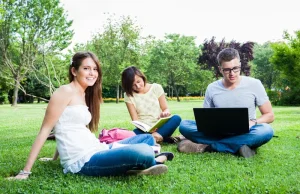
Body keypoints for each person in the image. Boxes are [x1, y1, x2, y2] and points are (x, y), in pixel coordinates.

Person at [10, 51, 174, 180]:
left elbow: (68, 128)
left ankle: (143, 163)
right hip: (83, 160)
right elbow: (46, 130)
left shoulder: (83, 94)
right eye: (86, 68)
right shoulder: (64, 91)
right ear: (74, 71)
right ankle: (150, 161)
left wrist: (54, 158)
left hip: (96, 148)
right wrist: (25, 171)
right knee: (144, 151)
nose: (92, 73)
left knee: (146, 139)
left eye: (95, 69)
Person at [178, 48, 275, 158]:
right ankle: (240, 145)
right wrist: (210, 126)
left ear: (240, 65)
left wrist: (253, 122)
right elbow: (206, 118)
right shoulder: (212, 88)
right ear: (220, 69)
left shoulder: (255, 84)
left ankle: (208, 147)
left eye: (235, 68)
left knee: (266, 130)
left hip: (246, 131)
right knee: (184, 125)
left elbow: (270, 115)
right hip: (218, 132)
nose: (232, 73)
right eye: (227, 70)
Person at [121, 66, 182, 144]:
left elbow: (165, 108)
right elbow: (135, 120)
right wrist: (147, 129)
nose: (138, 86)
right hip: (144, 130)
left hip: (160, 126)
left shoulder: (156, 87)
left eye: (138, 82)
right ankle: (160, 138)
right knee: (131, 135)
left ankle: (153, 138)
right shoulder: (128, 95)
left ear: (142, 77)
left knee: (176, 118)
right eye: (133, 85)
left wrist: (165, 113)